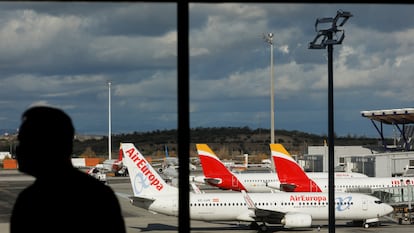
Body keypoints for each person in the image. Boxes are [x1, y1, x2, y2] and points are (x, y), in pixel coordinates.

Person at [10, 106, 126, 233]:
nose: (18, 150)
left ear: (44, 146)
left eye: (23, 142)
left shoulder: (30, 201)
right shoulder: (101, 196)